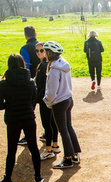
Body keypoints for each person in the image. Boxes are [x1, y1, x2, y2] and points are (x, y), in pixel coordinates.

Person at [0, 54, 43, 182]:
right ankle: (38, 177)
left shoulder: (4, 84)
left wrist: (11, 104)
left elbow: (0, 105)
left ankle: (8, 179)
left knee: (11, 149)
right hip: (29, 117)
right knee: (33, 147)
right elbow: (33, 99)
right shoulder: (30, 82)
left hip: (13, 118)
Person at [43, 41, 81, 169]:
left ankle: (68, 159)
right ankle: (75, 154)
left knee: (63, 130)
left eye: (45, 51)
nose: (44, 54)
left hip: (59, 102)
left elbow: (52, 91)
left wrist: (47, 101)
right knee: (69, 127)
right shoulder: (64, 63)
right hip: (68, 99)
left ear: (49, 53)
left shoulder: (54, 70)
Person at [35, 42, 61, 160]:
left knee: (47, 124)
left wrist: (39, 98)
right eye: (37, 51)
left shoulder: (45, 66)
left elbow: (43, 85)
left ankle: (49, 149)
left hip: (45, 99)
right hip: (50, 98)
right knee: (52, 122)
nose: (39, 53)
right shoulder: (48, 64)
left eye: (41, 51)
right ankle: (55, 145)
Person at [18, 25, 40, 146]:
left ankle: (27, 136)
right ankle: (48, 134)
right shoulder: (42, 45)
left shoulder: (25, 48)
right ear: (35, 34)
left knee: (29, 110)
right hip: (43, 79)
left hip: (31, 81)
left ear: (26, 35)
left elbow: (25, 67)